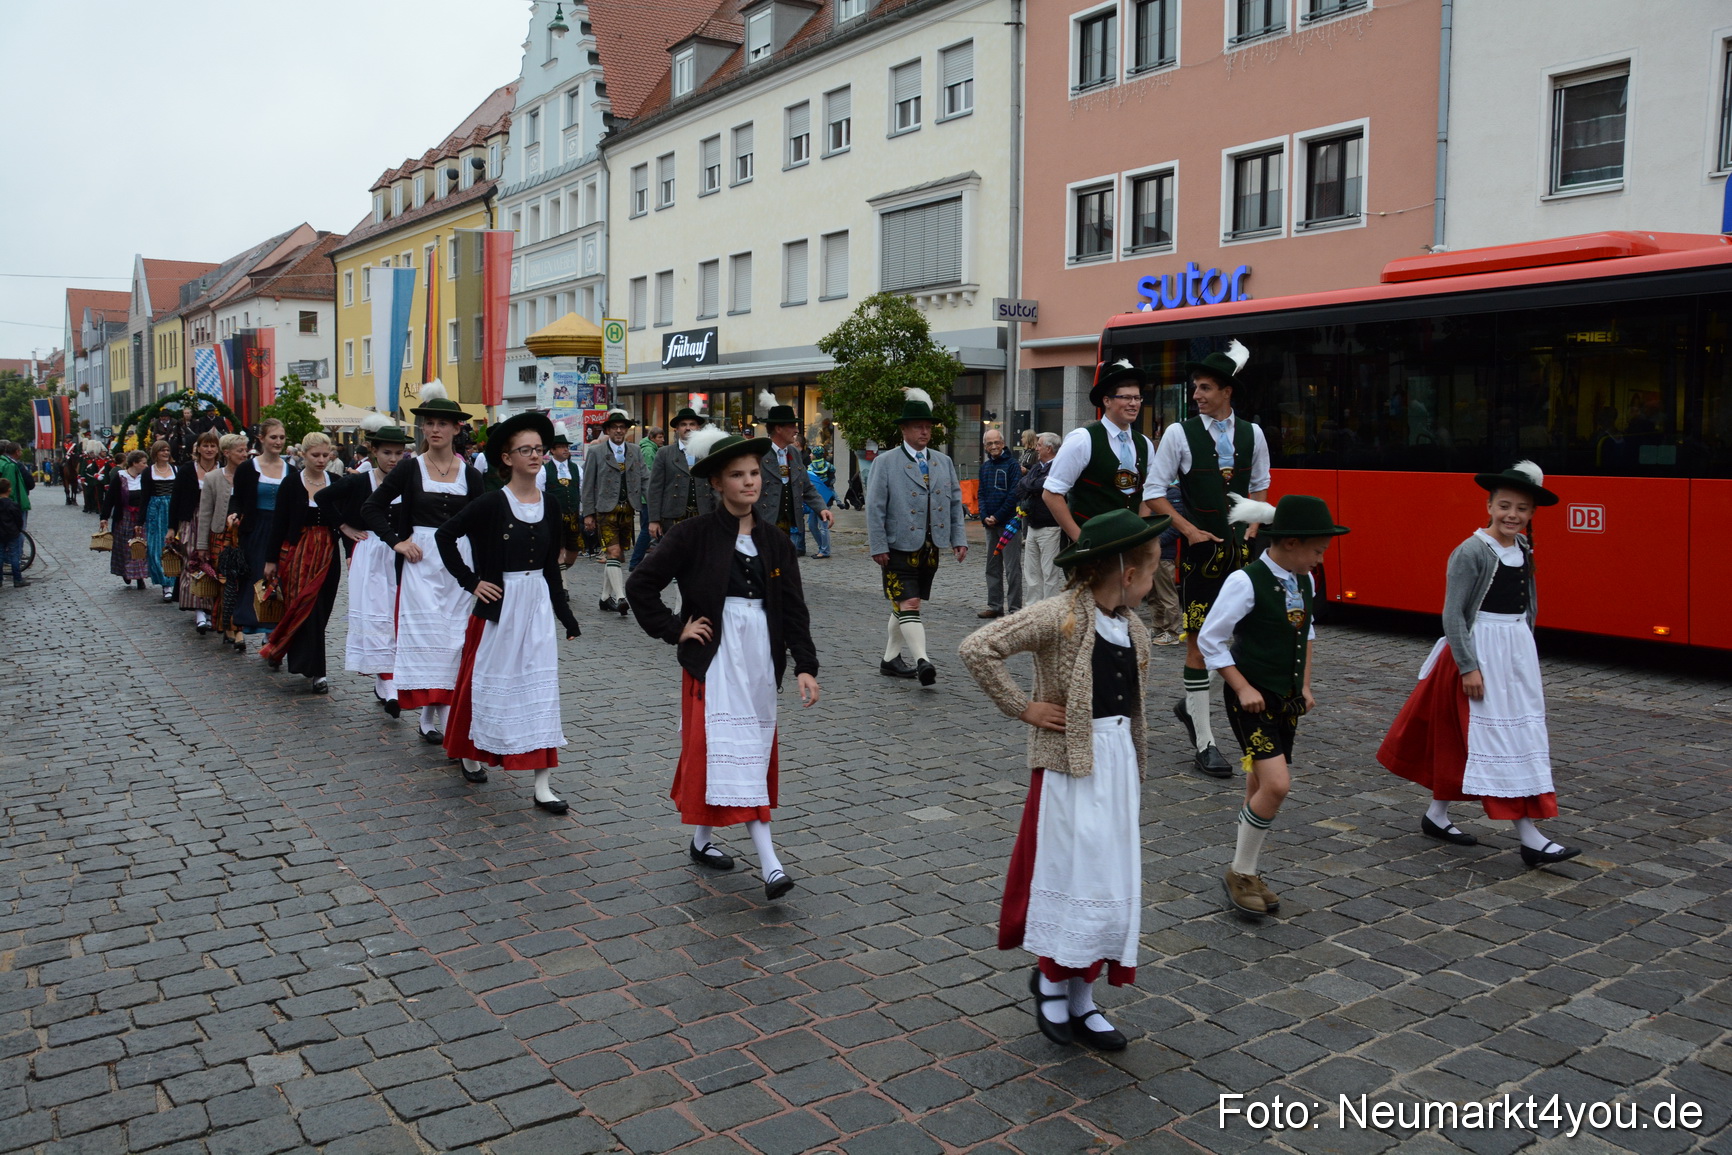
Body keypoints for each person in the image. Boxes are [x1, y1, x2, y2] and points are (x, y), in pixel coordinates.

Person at [959, 507, 1165, 1051]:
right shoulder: (1061, 615)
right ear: (1125, 574)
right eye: (1152, 571)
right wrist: (1023, 707)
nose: (1156, 581)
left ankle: (1084, 994)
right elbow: (978, 647)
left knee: (1107, 875)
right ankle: (1052, 978)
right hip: (1070, 764)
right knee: (1072, 871)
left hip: (1116, 762)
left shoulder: (1134, 630)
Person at [625, 427, 820, 901]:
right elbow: (640, 585)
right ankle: (771, 864)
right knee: (723, 748)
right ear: (716, 483)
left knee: (747, 751)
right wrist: (676, 628)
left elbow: (793, 608)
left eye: (754, 473)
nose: (749, 482)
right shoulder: (691, 534)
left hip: (758, 662)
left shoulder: (774, 541)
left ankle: (701, 840)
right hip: (714, 660)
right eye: (737, 475)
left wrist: (805, 665)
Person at [1376, 462, 1580, 868]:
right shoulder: (1470, 551)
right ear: (1488, 505)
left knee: (1475, 739)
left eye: (1522, 509)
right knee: (1496, 741)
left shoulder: (1522, 549)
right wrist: (1469, 665)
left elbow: (1529, 605)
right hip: (1479, 651)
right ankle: (1529, 837)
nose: (1512, 515)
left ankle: (1436, 815)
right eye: (1504, 506)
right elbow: (1453, 615)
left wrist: (1524, 649)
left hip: (1513, 652)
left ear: (1531, 514)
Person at [1196, 494, 1348, 918]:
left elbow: (1308, 634)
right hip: (1250, 698)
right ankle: (1240, 871)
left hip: (1284, 698)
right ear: (1292, 543)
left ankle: (1249, 869)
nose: (1320, 560)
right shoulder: (1246, 581)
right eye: (1317, 550)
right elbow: (1210, 639)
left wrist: (1304, 684)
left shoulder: (1305, 580)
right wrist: (1242, 687)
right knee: (1277, 785)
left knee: (1260, 785)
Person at [438, 412, 582, 804]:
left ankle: (542, 784)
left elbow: (551, 566)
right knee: (484, 682)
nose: (535, 456)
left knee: (540, 687)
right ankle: (470, 752)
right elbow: (445, 536)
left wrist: (565, 616)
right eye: (526, 450)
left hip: (535, 606)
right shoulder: (490, 503)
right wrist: (472, 582)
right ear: (507, 457)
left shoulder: (550, 504)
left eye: (539, 449)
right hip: (500, 606)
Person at [1146, 341, 1271, 779]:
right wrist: (1189, 530)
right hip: (1199, 557)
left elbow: (1260, 487)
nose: (1196, 395)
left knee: (1237, 639)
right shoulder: (1180, 434)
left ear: (1226, 391)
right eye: (1195, 388)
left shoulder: (1253, 434)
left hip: (1241, 557)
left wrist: (1254, 526)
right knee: (1199, 642)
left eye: (1204, 388)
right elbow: (1153, 492)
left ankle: (1190, 705)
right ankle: (1205, 741)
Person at [363, 382, 485, 743]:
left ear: (456, 429)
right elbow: (371, 507)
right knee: (426, 637)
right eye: (429, 423)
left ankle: (438, 714)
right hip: (420, 565)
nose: (434, 430)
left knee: (453, 639)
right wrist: (397, 541)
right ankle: (432, 716)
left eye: (442, 424)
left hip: (458, 564)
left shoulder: (472, 475)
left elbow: (482, 524)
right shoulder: (409, 468)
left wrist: (484, 571)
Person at [867, 388, 968, 686]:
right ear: (904, 429)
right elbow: (874, 507)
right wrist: (878, 545)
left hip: (930, 546)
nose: (924, 431)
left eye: (928, 427)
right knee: (909, 601)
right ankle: (923, 660)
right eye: (918, 427)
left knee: (906, 604)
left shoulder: (942, 461)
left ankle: (889, 659)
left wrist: (958, 538)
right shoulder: (885, 462)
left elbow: (953, 503)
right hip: (897, 546)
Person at [320, 415, 410, 712]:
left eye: (399, 453)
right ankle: (387, 681)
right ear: (374, 452)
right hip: (371, 552)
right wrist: (343, 527)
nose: (393, 459)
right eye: (387, 453)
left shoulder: (410, 481)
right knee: (377, 615)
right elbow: (323, 497)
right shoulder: (360, 481)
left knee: (399, 616)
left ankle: (392, 677)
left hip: (401, 553)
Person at [259, 433, 343, 692]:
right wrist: (271, 559)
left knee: (322, 609)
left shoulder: (337, 482)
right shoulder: (291, 484)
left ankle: (280, 646)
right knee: (305, 609)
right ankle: (318, 672)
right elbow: (279, 523)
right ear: (303, 455)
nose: (320, 460)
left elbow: (347, 519)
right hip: (299, 553)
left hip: (328, 553)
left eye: (325, 455)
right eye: (315, 455)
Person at [581, 408, 648, 615]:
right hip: (605, 510)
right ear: (608, 430)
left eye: (622, 428)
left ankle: (604, 597)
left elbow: (645, 478)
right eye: (615, 428)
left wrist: (652, 504)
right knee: (614, 552)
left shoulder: (635, 451)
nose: (619, 431)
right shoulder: (595, 452)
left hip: (628, 508)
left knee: (617, 557)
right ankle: (620, 597)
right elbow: (588, 484)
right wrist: (588, 513)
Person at [229, 418, 291, 635]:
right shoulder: (248, 468)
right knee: (257, 577)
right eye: (273, 437)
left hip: (282, 529)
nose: (278, 442)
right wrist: (234, 514)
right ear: (261, 439)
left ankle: (273, 630)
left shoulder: (290, 470)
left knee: (281, 579)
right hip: (257, 529)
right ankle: (258, 623)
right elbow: (237, 498)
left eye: (282, 437)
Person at [194, 434, 251, 652]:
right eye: (239, 451)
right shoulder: (213, 478)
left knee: (241, 582)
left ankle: (236, 627)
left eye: (245, 450)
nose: (244, 454)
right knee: (226, 582)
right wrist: (201, 546)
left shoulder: (251, 475)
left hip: (243, 535)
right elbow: (205, 513)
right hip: (220, 536)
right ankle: (230, 627)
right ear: (226, 453)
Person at [756, 404, 831, 559]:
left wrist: (822, 508)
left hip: (791, 525)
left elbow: (807, 488)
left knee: (785, 567)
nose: (797, 431)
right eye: (792, 426)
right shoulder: (759, 454)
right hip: (765, 523)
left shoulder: (795, 453)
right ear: (778, 428)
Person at [171, 431, 223, 631]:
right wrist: (171, 527)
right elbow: (175, 500)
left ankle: (211, 608)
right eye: (206, 446)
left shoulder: (222, 470)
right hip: (192, 520)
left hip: (215, 521)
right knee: (192, 561)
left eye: (213, 446)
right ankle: (198, 610)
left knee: (214, 563)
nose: (209, 450)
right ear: (198, 448)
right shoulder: (186, 470)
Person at [647, 408, 712, 543]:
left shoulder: (708, 452)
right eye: (683, 424)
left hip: (703, 514)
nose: (688, 428)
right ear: (676, 429)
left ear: (698, 427)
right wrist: (654, 520)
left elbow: (716, 488)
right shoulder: (664, 453)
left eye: (692, 424)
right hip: (673, 516)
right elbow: (655, 488)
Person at [978, 428, 1023, 619]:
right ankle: (995, 605)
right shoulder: (985, 467)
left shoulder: (1013, 465)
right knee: (992, 567)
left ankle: (1014, 609)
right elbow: (980, 495)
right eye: (990, 443)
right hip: (990, 525)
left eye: (996, 442)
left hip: (1008, 525)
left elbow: (1014, 495)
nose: (994, 446)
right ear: (985, 446)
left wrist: (997, 515)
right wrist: (984, 516)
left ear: (1003, 443)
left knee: (1012, 569)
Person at [1016, 432, 1063, 603]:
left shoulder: (1058, 466)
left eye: (1039, 445)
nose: (1036, 448)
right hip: (1032, 525)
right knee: (1032, 572)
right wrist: (1031, 484)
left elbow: (1040, 485)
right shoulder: (1037, 467)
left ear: (1049, 448)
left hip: (1050, 526)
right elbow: (1021, 487)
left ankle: (1049, 611)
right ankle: (1032, 609)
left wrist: (1031, 484)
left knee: (1049, 572)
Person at [100, 450, 150, 590]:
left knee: (140, 546)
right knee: (125, 547)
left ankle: (140, 577)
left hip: (140, 518)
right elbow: (109, 499)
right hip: (124, 517)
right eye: (143, 463)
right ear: (134, 463)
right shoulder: (120, 477)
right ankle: (126, 572)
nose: (146, 466)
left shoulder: (145, 478)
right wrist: (104, 517)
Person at [540, 421, 583, 567]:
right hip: (554, 518)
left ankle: (560, 573)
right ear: (552, 450)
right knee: (558, 550)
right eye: (561, 447)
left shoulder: (576, 468)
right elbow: (539, 494)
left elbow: (582, 490)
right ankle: (562, 586)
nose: (565, 449)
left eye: (566, 447)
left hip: (574, 517)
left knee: (574, 550)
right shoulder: (544, 470)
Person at [629, 426, 666, 568]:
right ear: (652, 438)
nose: (662, 440)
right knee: (647, 529)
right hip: (648, 497)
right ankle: (635, 562)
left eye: (663, 437)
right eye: (659, 437)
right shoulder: (649, 450)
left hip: (648, 496)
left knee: (654, 530)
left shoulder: (652, 448)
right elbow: (650, 476)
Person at [805, 447, 835, 560]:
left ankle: (825, 550)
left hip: (824, 498)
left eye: (812, 453)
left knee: (823, 526)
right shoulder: (828, 466)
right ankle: (822, 547)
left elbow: (831, 481)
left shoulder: (811, 468)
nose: (810, 455)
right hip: (815, 499)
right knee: (812, 525)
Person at [0, 442, 32, 531]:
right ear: (17, 452)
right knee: (18, 533)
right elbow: (29, 483)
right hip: (14, 502)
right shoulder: (12, 465)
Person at [0, 479, 23, 588]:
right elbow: (19, 520)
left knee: (0, 556)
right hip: (12, 533)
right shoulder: (13, 505)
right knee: (15, 556)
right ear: (9, 490)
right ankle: (17, 579)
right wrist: (18, 530)